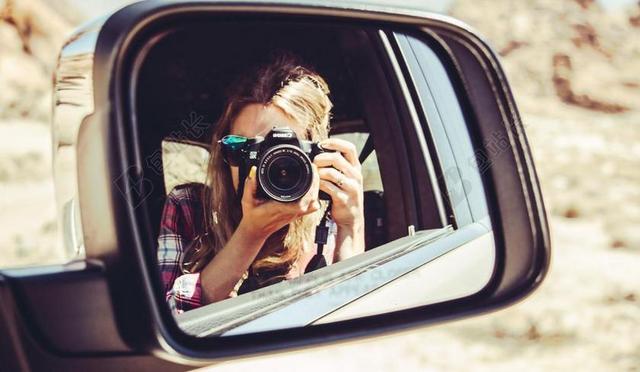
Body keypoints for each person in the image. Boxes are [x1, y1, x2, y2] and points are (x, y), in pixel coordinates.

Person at [157, 52, 365, 314]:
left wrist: (351, 224)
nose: (264, 167)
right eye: (243, 148)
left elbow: (352, 314)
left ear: (315, 156)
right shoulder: (190, 208)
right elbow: (171, 319)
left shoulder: (327, 213)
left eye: (284, 152)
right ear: (225, 155)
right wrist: (250, 234)